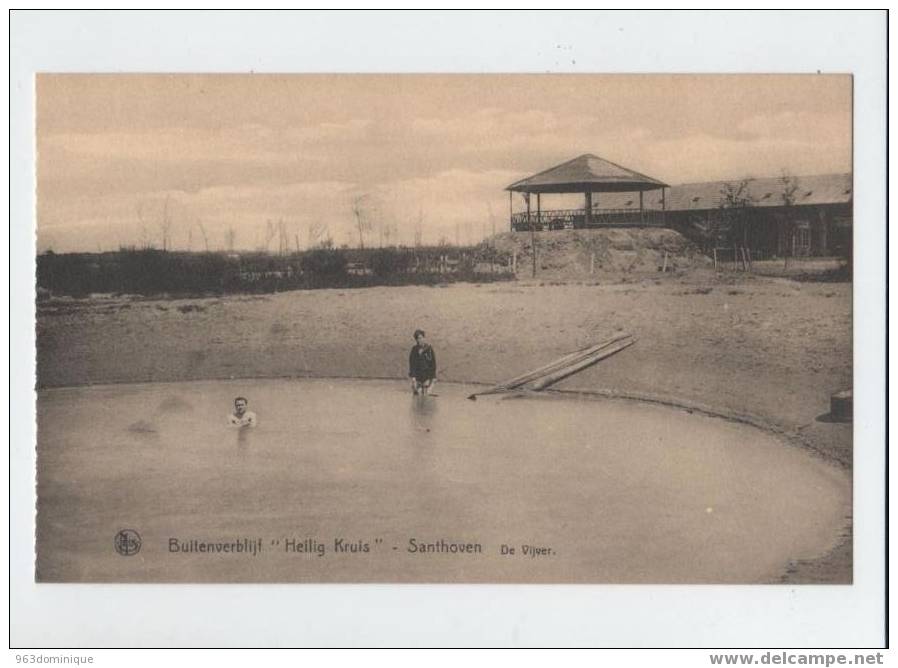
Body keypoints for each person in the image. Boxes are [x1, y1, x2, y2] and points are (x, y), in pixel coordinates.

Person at [408, 329, 437, 395]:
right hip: (418, 376)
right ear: (416, 340)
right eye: (418, 339)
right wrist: (413, 377)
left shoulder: (429, 349)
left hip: (427, 375)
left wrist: (432, 378)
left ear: (424, 338)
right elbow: (412, 364)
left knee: (426, 394)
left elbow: (433, 364)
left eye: (421, 338)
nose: (420, 340)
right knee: (418, 394)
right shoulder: (414, 349)